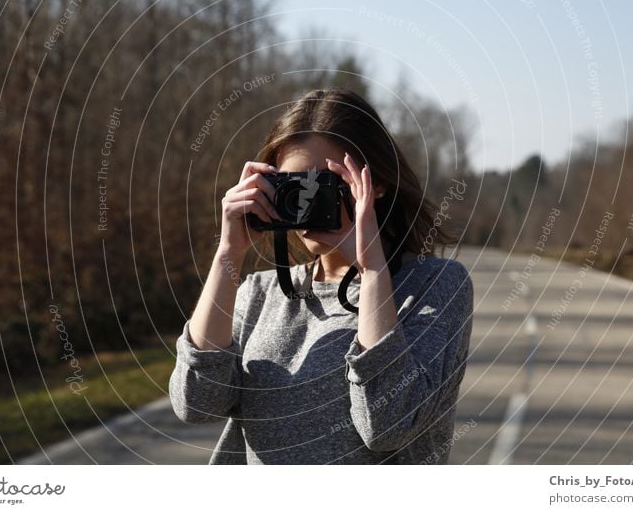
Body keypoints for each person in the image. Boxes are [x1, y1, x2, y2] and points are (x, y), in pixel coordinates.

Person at [169, 87, 474, 464]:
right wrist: (228, 254)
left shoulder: (433, 286)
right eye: (293, 186)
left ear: (375, 184)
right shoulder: (259, 293)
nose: (309, 201)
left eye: (326, 183)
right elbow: (196, 405)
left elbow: (388, 426)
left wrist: (374, 270)